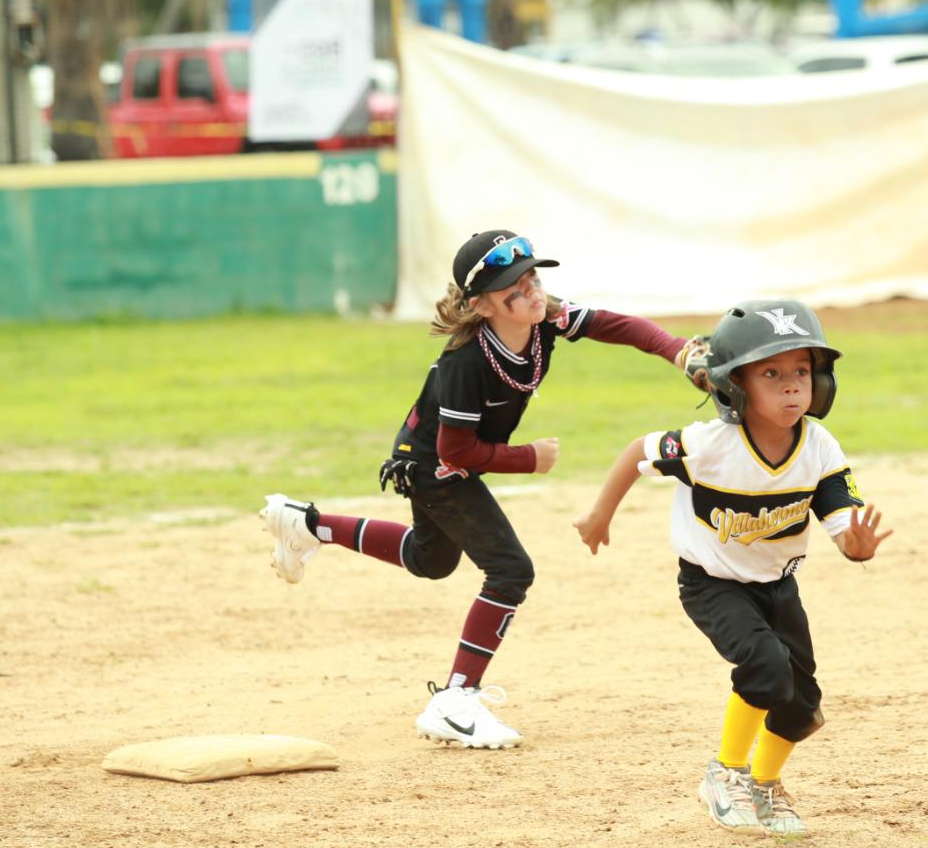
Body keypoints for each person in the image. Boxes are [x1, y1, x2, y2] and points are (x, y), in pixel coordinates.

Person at [259, 230, 704, 750]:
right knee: (511, 569)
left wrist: (677, 351)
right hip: (435, 466)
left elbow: (616, 325)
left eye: (533, 277)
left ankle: (307, 525)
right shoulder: (466, 362)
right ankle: (455, 697)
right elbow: (455, 453)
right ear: (482, 305)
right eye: (516, 288)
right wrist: (527, 459)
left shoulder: (545, 319)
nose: (534, 291)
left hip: (445, 458)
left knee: (430, 558)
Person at [572, 300, 891, 838]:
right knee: (766, 667)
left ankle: (764, 785)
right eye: (771, 373)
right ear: (735, 385)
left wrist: (857, 547)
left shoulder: (818, 447)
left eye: (802, 371)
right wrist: (599, 515)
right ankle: (726, 773)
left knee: (803, 705)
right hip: (712, 584)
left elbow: (841, 517)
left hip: (777, 586)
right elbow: (637, 451)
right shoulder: (708, 445)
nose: (792, 386)